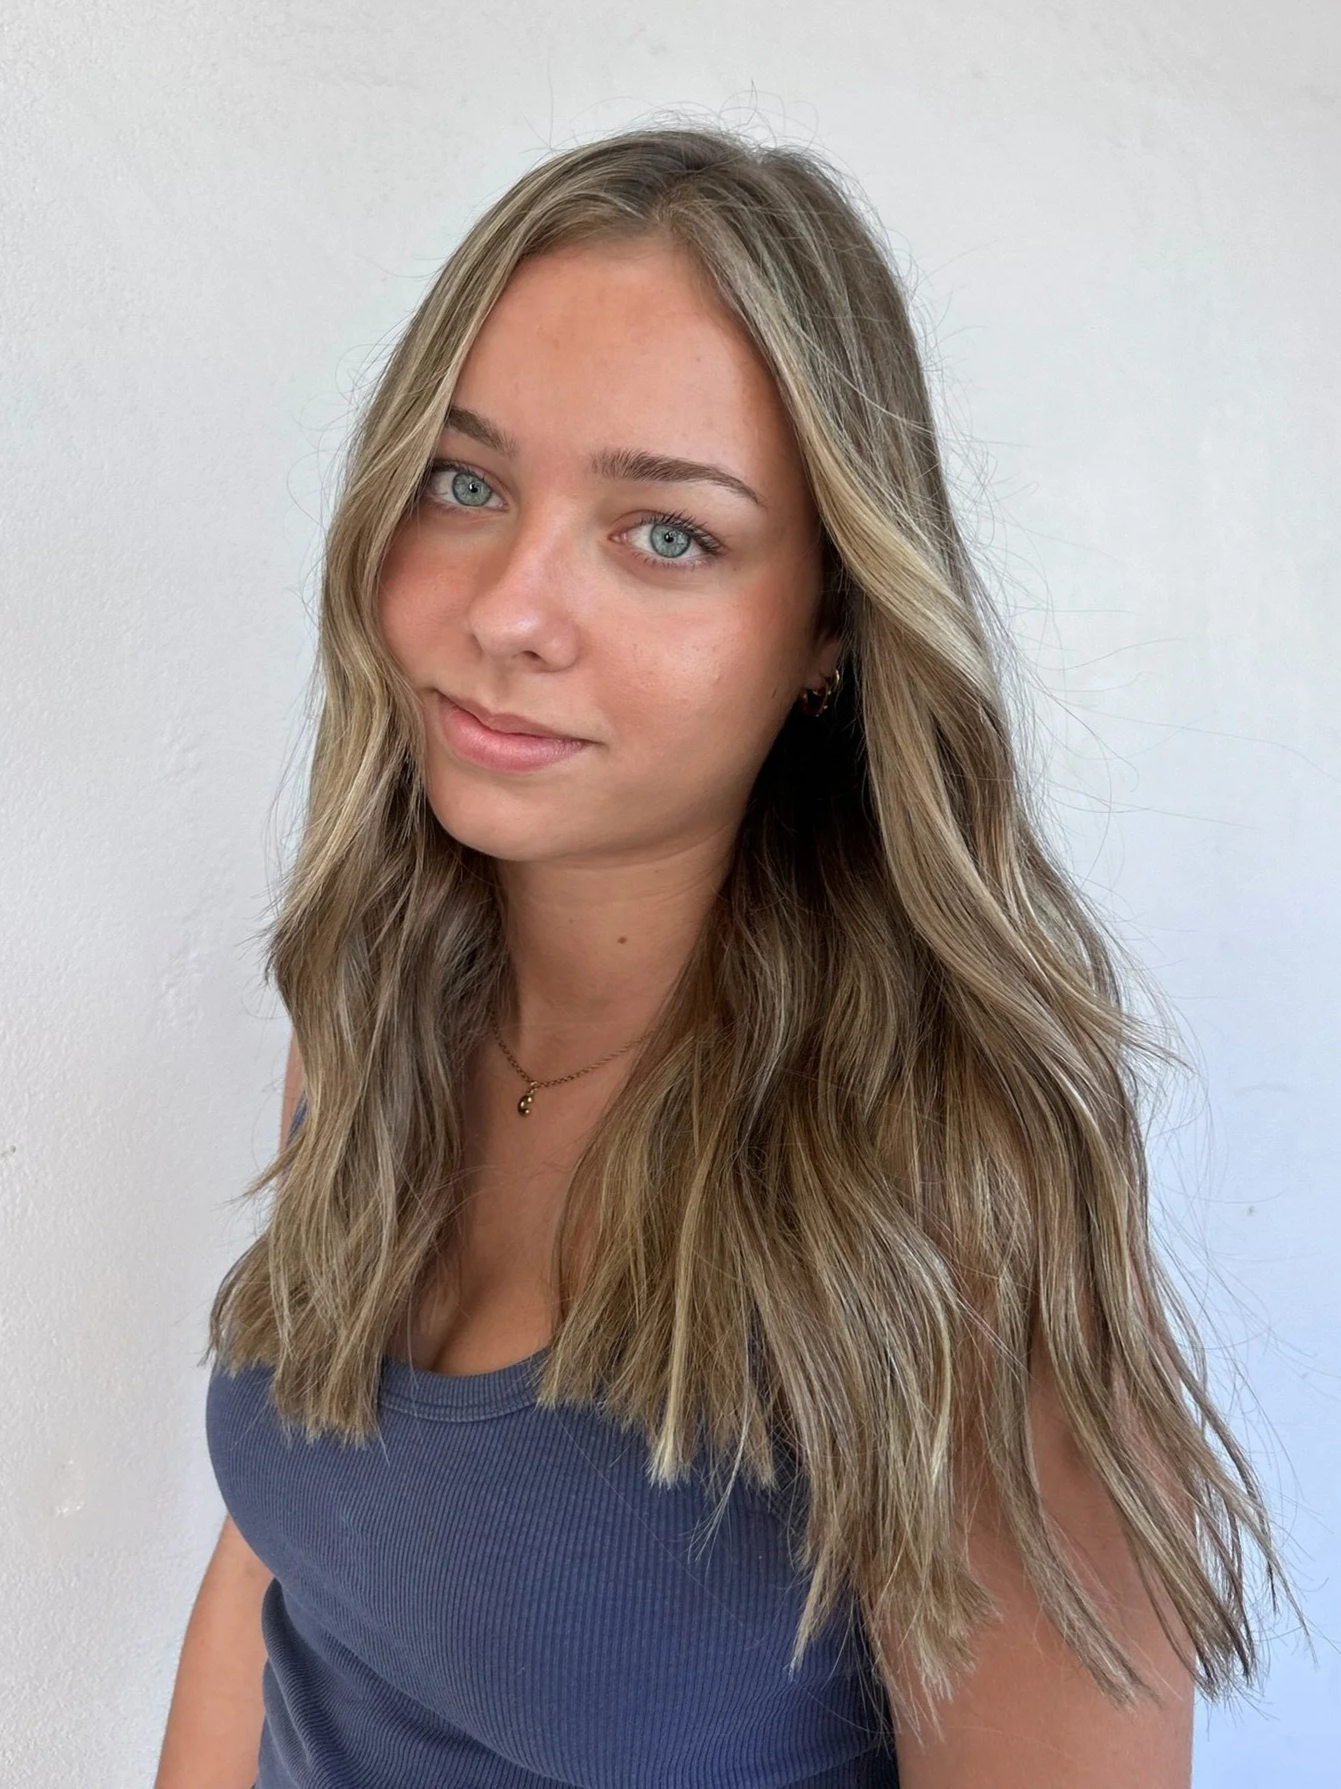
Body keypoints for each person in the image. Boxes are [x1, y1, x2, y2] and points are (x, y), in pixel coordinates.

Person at [154, 125, 1289, 1789]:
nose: (513, 608)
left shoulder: (954, 1207)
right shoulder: (375, 1006)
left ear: (829, 626)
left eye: (665, 533)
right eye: (464, 484)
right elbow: (283, 1572)